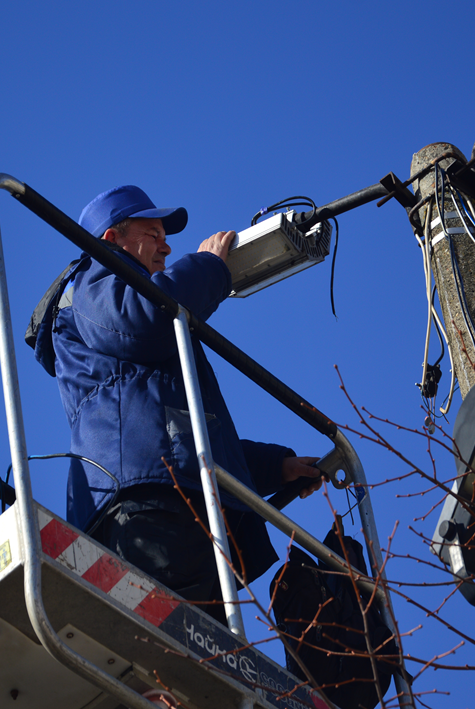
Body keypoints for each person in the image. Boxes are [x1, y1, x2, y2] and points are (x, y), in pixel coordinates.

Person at [29, 185, 322, 623]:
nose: (166, 245)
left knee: (196, 665)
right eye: (153, 233)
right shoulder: (95, 275)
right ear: (113, 238)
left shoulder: (132, 308)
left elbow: (183, 435)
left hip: (169, 499)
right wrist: (208, 267)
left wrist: (272, 467)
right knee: (172, 655)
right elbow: (144, 324)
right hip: (147, 504)